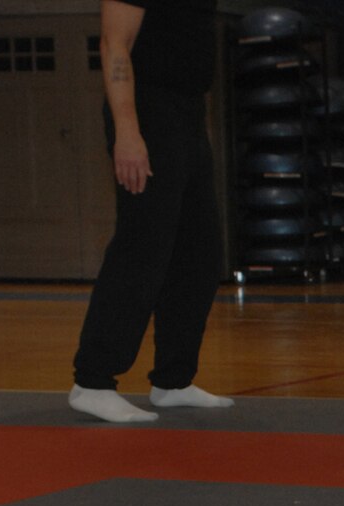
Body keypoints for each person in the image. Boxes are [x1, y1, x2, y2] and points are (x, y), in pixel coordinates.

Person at [69, 0, 233, 425]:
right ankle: (93, 380)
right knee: (143, 244)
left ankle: (173, 381)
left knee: (199, 251)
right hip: (146, 110)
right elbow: (114, 45)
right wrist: (127, 131)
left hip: (187, 112)